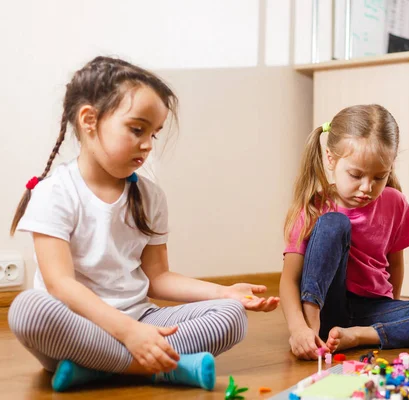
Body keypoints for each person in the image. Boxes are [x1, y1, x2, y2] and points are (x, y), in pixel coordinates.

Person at [8, 56, 279, 391]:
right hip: (76, 329)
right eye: (137, 129)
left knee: (231, 316)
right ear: (89, 119)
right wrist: (128, 333)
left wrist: (225, 292)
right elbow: (60, 285)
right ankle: (153, 367)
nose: (149, 143)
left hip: (141, 319)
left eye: (154, 133)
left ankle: (98, 369)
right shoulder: (55, 193)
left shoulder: (150, 196)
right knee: (28, 310)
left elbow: (158, 278)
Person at [279, 104, 409, 360]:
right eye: (356, 175)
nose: (366, 188)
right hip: (325, 307)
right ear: (331, 159)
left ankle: (359, 336)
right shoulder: (314, 206)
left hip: (372, 310)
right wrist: (298, 328)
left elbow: (395, 264)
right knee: (334, 223)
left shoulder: (395, 202)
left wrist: (394, 309)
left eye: (379, 177)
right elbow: (289, 279)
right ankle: (314, 323)